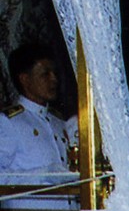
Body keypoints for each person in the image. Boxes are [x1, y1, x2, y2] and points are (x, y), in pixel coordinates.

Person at [0, 43, 74, 173]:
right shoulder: (8, 123)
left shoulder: (58, 121)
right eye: (45, 74)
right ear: (25, 79)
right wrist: (44, 176)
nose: (54, 79)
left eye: (54, 73)